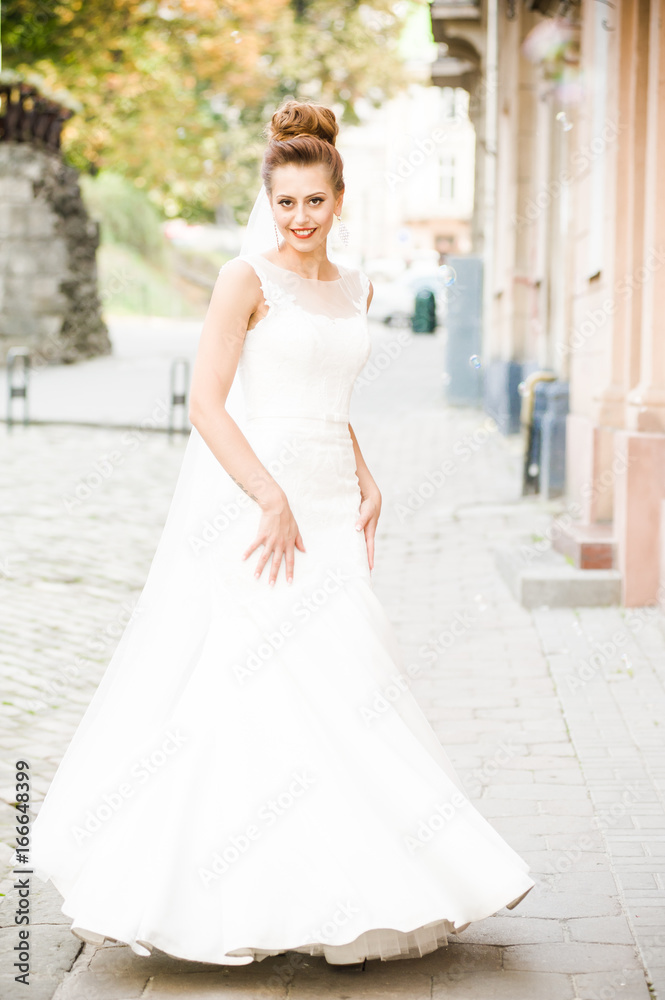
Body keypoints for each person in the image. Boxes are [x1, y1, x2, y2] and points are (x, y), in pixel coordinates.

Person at [30, 100, 534, 968]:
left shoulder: (356, 286)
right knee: (255, 685)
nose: (301, 219)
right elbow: (207, 403)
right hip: (257, 504)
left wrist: (368, 475)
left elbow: (331, 402)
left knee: (346, 680)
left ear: (340, 199)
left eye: (315, 202)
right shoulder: (244, 278)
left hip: (332, 501)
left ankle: (352, 886)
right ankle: (230, 895)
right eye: (286, 203)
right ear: (270, 202)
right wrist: (267, 498)